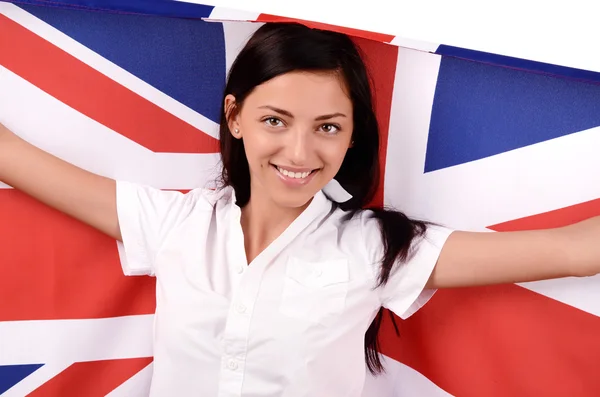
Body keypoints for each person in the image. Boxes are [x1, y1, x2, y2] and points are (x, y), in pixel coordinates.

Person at [0, 22, 598, 397]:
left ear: (352, 135)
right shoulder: (176, 224)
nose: (300, 151)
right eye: (274, 121)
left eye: (328, 127)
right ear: (235, 118)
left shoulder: (376, 247)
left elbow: (573, 249)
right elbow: (14, 158)